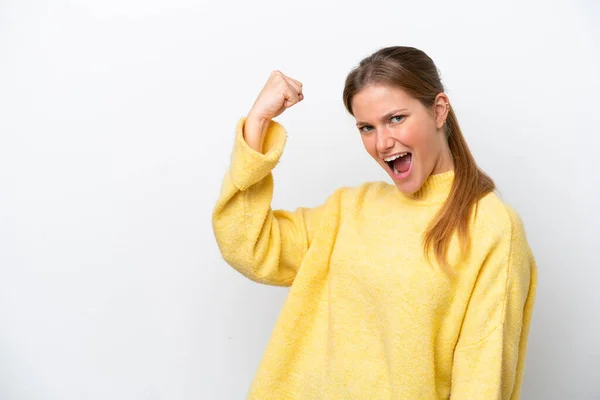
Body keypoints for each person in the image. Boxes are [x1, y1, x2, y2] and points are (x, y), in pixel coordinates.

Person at [212, 46, 537, 399]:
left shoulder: (490, 227)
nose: (382, 143)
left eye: (396, 118)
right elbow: (247, 245)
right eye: (367, 127)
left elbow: (482, 382)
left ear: (439, 110)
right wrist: (258, 122)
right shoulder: (349, 209)